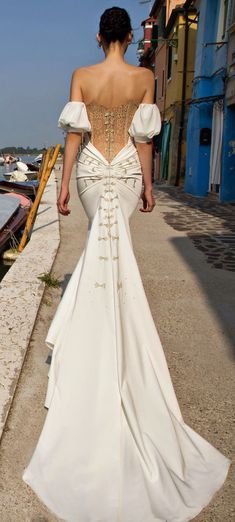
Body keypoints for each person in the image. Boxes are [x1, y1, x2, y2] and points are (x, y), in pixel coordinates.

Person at [22, 7, 231, 522]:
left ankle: (92, 350)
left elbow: (75, 136)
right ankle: (115, 343)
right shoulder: (144, 77)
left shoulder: (82, 76)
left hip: (94, 170)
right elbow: (144, 139)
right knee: (116, 257)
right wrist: (150, 185)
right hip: (126, 172)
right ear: (127, 37)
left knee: (99, 246)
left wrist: (65, 185)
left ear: (99, 37)